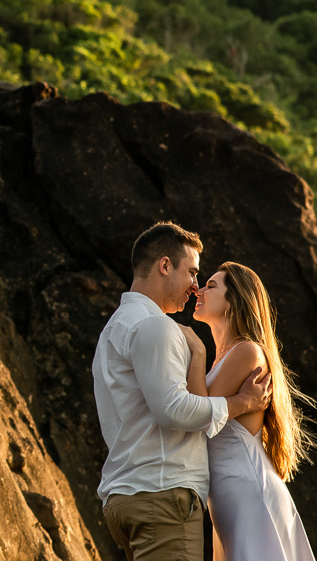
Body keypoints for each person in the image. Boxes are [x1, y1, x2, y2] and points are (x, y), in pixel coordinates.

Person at [93, 222, 272, 561]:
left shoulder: (113, 328)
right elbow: (171, 409)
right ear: (164, 266)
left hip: (126, 496)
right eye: (192, 273)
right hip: (161, 497)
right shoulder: (155, 325)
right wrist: (239, 402)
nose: (194, 286)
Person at [187, 261, 317, 561]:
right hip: (230, 490)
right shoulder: (226, 358)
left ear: (233, 302)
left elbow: (198, 416)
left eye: (211, 286)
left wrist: (196, 350)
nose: (199, 290)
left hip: (245, 490)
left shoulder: (246, 351)